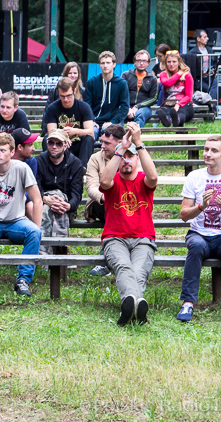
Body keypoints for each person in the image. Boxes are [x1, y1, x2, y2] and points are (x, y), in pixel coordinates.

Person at [177, 135, 221, 325]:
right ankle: (188, 303)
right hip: (199, 234)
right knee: (196, 246)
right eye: (206, 149)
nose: (207, 154)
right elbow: (184, 215)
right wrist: (202, 205)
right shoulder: (194, 177)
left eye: (214, 150)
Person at [98, 122, 158, 325]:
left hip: (143, 239)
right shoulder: (113, 179)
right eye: (123, 156)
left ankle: (130, 306)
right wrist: (121, 149)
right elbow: (103, 182)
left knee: (139, 271)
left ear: (137, 159)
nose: (126, 160)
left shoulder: (143, 180)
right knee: (124, 267)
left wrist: (138, 144)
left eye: (130, 156)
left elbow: (153, 177)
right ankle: (137, 307)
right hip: (115, 238)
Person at [0, 133, 42, 296]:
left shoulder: (22, 168)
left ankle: (23, 280)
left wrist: (37, 227)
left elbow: (37, 200)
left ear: (12, 152)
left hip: (16, 221)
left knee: (34, 232)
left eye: (2, 150)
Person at [34, 129, 84, 250]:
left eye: (59, 144)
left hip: (65, 207)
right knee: (46, 208)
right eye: (51, 143)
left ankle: (44, 252)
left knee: (55, 204)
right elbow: (36, 187)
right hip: (43, 203)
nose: (54, 147)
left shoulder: (75, 164)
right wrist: (45, 199)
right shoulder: (38, 161)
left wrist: (68, 206)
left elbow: (76, 193)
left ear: (66, 145)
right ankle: (60, 249)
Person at [42, 77, 95, 169]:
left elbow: (90, 132)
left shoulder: (84, 107)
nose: (66, 99)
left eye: (69, 96)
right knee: (47, 138)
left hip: (79, 144)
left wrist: (74, 131)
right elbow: (51, 132)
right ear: (58, 93)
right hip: (60, 144)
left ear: (74, 91)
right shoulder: (52, 108)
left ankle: (82, 169)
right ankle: (51, 168)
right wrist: (63, 137)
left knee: (88, 139)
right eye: (62, 96)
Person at [83, 51, 129, 138]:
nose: (105, 65)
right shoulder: (92, 82)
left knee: (109, 134)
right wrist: (91, 121)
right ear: (99, 65)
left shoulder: (121, 83)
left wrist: (112, 122)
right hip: (94, 121)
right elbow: (87, 105)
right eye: (102, 63)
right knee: (89, 135)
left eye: (108, 63)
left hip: (112, 121)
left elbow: (125, 107)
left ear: (114, 64)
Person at [122, 49, 159, 128]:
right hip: (125, 107)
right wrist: (128, 108)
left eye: (144, 61)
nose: (141, 63)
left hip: (144, 108)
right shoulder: (126, 75)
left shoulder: (153, 79)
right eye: (139, 60)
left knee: (141, 114)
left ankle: (136, 135)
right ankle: (117, 135)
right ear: (134, 62)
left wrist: (137, 106)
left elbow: (153, 98)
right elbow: (121, 94)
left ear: (148, 63)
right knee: (118, 114)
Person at [157, 51, 195, 127]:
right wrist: (178, 74)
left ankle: (177, 120)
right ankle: (167, 121)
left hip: (184, 104)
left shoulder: (187, 75)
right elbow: (167, 83)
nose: (171, 64)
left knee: (181, 112)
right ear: (166, 63)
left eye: (174, 62)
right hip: (168, 104)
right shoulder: (163, 74)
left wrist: (178, 105)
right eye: (169, 62)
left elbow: (188, 95)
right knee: (165, 112)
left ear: (179, 62)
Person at [187, 29, 218, 99]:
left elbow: (214, 62)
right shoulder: (192, 52)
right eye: (205, 37)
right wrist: (201, 72)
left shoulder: (210, 50)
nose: (207, 38)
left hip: (208, 76)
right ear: (198, 39)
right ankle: (210, 103)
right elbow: (191, 67)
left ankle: (212, 103)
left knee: (214, 83)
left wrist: (213, 69)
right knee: (207, 88)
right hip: (198, 78)